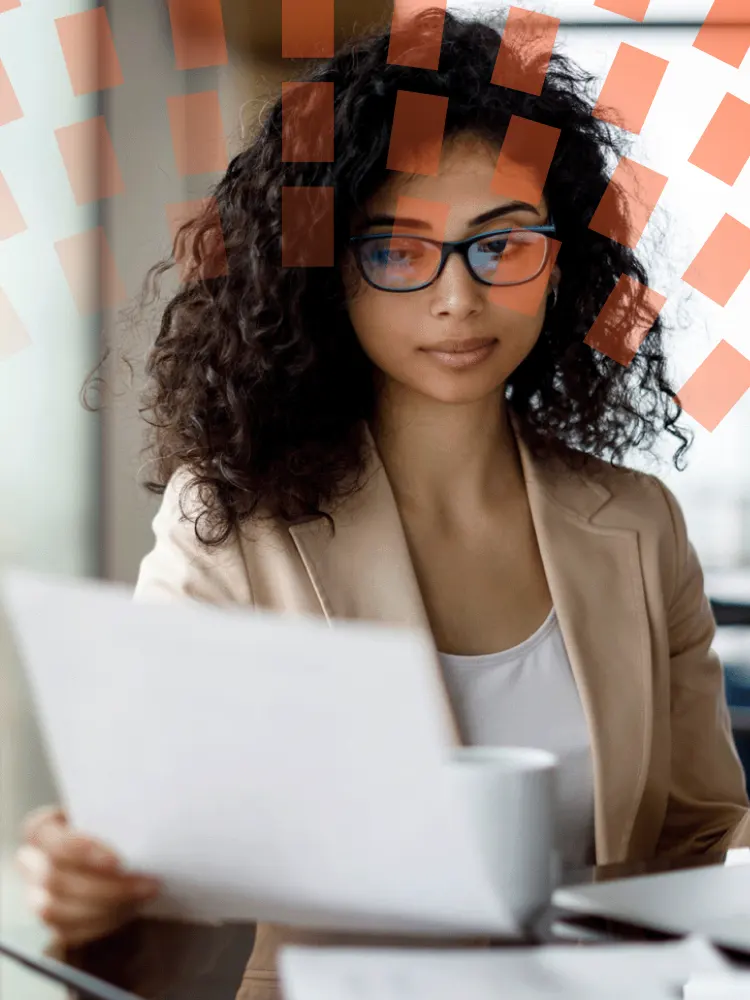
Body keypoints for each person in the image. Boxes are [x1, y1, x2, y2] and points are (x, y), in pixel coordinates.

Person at [16, 8, 750, 999]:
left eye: (502, 245)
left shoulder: (638, 524)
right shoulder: (229, 527)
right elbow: (174, 893)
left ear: (561, 259)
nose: (457, 299)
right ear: (324, 270)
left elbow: (703, 830)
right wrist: (103, 886)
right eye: (397, 252)